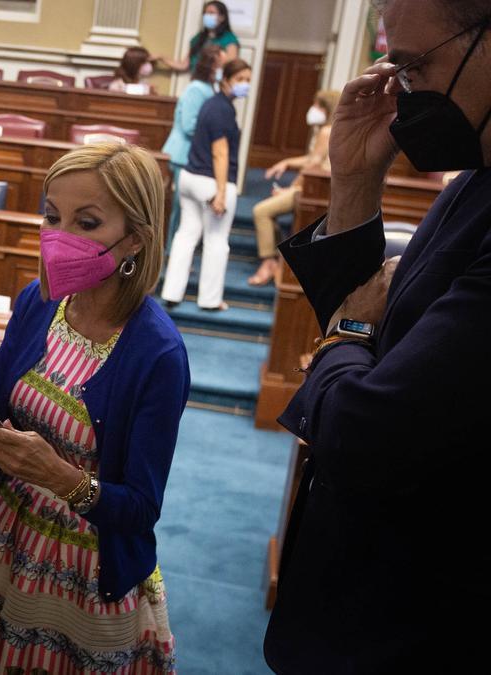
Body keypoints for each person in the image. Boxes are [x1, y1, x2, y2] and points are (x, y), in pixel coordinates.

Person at [263, 0, 491, 671]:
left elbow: (363, 432)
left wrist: (345, 337)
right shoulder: (474, 181)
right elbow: (375, 324)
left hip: (422, 623)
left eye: (415, 65)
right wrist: (356, 182)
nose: (404, 86)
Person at [0, 142, 190, 673]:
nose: (60, 236)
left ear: (135, 240)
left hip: (84, 564)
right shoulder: (39, 301)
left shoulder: (157, 352)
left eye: (87, 222)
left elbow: (142, 507)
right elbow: (1, 406)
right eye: (52, 216)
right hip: (6, 528)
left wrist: (62, 478)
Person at [161, 58, 252, 311]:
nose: (245, 85)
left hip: (189, 178)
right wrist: (221, 193)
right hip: (211, 182)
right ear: (225, 80)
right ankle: (209, 300)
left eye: (248, 80)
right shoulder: (223, 110)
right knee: (216, 240)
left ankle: (171, 293)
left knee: (186, 234)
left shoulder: (210, 104)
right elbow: (220, 154)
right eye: (241, 79)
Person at [248, 90, 341, 286]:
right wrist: (286, 162)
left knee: (261, 211)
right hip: (316, 188)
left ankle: (269, 262)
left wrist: (290, 189)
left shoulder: (326, 131)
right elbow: (311, 158)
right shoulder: (330, 129)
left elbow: (312, 166)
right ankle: (275, 260)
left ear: (325, 108)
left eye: (316, 105)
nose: (313, 110)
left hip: (313, 190)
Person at [160, 43, 224, 247]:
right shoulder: (197, 89)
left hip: (192, 155)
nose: (222, 69)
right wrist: (216, 134)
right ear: (209, 66)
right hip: (182, 155)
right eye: (220, 65)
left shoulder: (209, 88)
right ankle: (169, 253)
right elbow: (189, 125)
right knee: (178, 210)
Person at [157, 1, 239, 74]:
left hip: (215, 85)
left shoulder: (229, 38)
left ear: (222, 17)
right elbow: (184, 65)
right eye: (205, 13)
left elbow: (231, 65)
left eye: (211, 13)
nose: (207, 16)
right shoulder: (198, 38)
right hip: (196, 83)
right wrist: (161, 57)